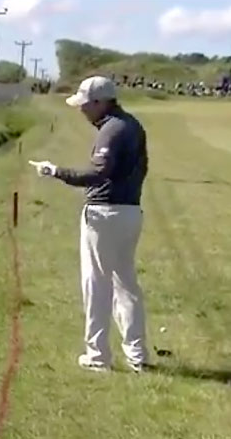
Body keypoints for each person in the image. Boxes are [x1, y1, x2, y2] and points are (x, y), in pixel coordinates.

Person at [28, 76, 150, 373]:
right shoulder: (131, 125)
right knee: (126, 284)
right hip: (130, 211)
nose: (81, 111)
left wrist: (56, 171)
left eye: (85, 105)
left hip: (104, 214)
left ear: (101, 102)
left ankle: (97, 357)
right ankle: (137, 355)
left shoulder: (111, 131)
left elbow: (98, 173)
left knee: (96, 284)